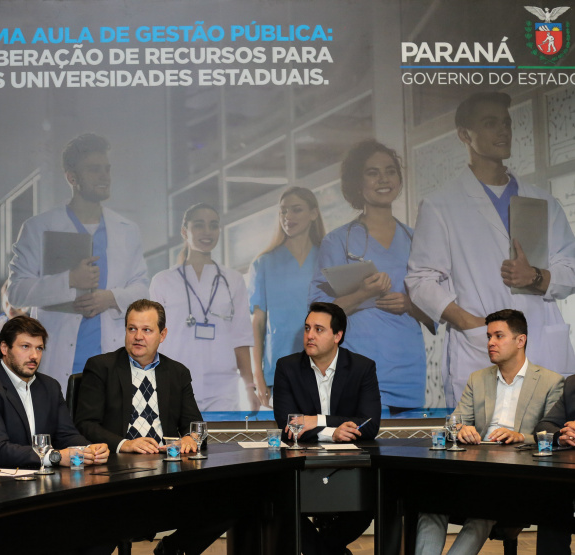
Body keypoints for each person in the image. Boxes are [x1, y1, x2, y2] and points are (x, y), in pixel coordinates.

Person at [406, 91, 575, 407]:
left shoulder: (542, 200)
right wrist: (470, 323)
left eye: (506, 123)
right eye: (490, 123)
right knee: (483, 447)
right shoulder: (441, 204)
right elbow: (420, 282)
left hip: (543, 347)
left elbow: (571, 268)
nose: (503, 131)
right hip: (480, 349)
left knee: (549, 444)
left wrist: (536, 276)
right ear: (464, 135)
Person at [75, 299, 225, 555]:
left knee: (227, 505)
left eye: (147, 330)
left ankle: (172, 550)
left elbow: (195, 427)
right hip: (115, 480)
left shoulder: (178, 373)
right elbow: (84, 424)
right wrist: (126, 444)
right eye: (132, 329)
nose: (138, 337)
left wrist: (190, 438)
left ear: (162, 334)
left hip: (165, 478)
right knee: (99, 532)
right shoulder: (101, 367)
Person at [8, 133, 150, 392]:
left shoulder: (127, 229)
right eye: (94, 170)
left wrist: (110, 297)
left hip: (111, 362)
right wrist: (70, 281)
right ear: (71, 177)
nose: (104, 176)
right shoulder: (39, 227)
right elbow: (16, 291)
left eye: (106, 169)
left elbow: (142, 289)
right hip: (59, 362)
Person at [416, 309, 563, 555]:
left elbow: (552, 436)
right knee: (430, 503)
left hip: (517, 474)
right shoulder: (478, 379)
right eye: (488, 336)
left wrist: (520, 437)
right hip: (475, 467)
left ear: (520, 340)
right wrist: (462, 429)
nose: (490, 343)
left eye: (498, 336)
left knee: (485, 507)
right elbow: (454, 423)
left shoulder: (550, 381)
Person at [310, 140, 433, 414]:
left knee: (405, 454)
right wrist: (362, 294)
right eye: (372, 172)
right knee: (363, 454)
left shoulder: (417, 240)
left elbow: (436, 312)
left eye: (390, 171)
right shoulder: (337, 242)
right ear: (357, 182)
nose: (383, 179)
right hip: (358, 373)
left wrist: (409, 305)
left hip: (408, 373)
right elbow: (319, 314)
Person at [273, 302, 379, 555]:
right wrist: (333, 431)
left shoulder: (362, 367)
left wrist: (317, 420)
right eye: (308, 328)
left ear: (337, 336)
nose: (309, 335)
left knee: (370, 501)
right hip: (300, 467)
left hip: (348, 467)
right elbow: (288, 425)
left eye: (319, 329)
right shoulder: (287, 367)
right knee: (281, 505)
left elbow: (370, 423)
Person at [0, 315, 109, 471]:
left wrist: (90, 449)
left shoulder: (50, 387)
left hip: (34, 479)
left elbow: (67, 435)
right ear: (4, 348)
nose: (34, 356)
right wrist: (55, 456)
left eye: (39, 348)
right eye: (25, 346)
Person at [150, 203, 259, 412]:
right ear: (185, 232)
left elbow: (241, 338)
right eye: (199, 225)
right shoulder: (163, 281)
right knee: (176, 444)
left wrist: (249, 387)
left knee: (221, 444)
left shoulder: (233, 280)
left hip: (222, 388)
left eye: (213, 225)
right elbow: (153, 338)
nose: (207, 232)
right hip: (173, 384)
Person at [249, 187, 326, 408]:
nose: (288, 217)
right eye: (283, 211)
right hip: (279, 370)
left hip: (323, 367)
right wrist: (258, 376)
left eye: (296, 210)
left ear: (313, 213)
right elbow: (258, 324)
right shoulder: (263, 263)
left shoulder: (328, 259)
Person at [533, 375, 575, 555]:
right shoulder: (573, 383)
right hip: (568, 475)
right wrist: (561, 436)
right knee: (551, 504)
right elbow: (544, 425)